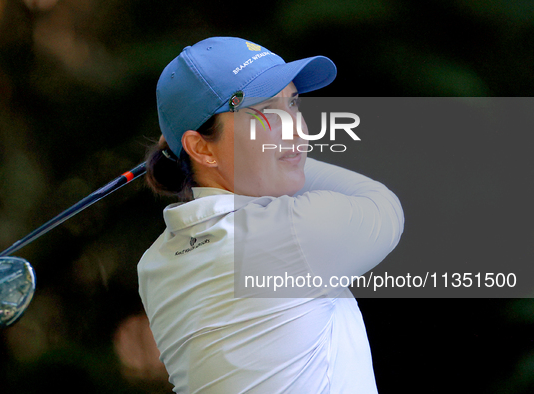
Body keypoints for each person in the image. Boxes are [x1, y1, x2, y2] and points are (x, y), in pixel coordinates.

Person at [137, 37, 404, 393]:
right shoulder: (290, 232)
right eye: (264, 112)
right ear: (201, 147)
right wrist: (288, 155)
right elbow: (384, 209)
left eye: (292, 104)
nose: (297, 128)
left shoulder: (156, 264)